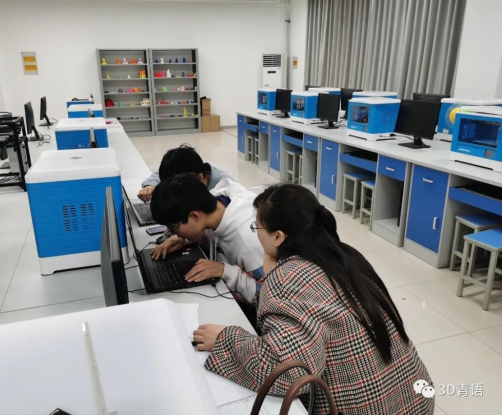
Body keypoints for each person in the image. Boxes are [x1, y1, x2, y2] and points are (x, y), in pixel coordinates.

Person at [194, 184, 435, 415]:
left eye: (257, 227)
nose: (256, 234)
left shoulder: (289, 276)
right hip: (412, 396)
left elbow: (287, 373)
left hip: (364, 407)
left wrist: (226, 339)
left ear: (278, 237)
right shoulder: (343, 254)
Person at [150, 174, 264, 304]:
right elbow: (210, 233)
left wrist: (224, 271)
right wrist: (184, 239)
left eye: (173, 228)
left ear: (194, 216)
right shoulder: (215, 204)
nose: (172, 233)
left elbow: (269, 297)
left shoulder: (249, 241)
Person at [138, 144, 234, 202]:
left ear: (200, 178)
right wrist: (150, 186)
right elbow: (161, 175)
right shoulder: (189, 172)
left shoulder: (228, 190)